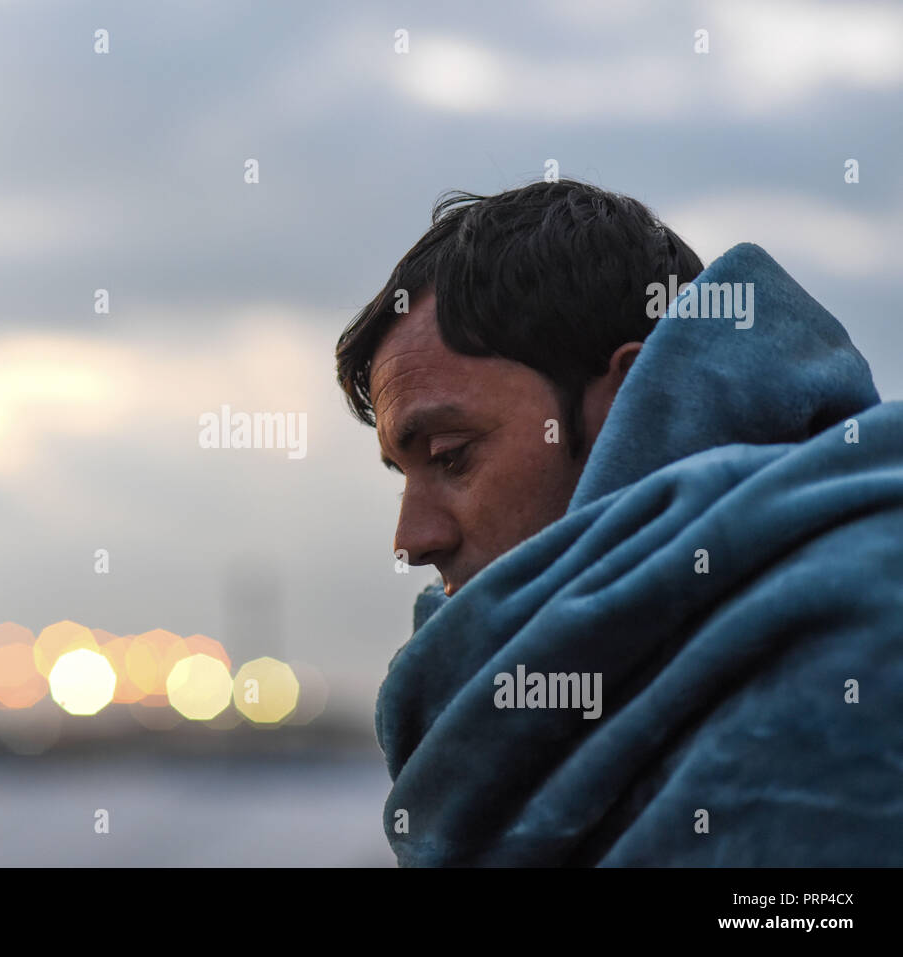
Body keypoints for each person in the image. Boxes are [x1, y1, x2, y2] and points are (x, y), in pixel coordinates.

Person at [335, 179, 903, 865]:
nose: (412, 540)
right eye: (404, 473)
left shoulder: (863, 633)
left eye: (451, 457)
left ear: (629, 398)